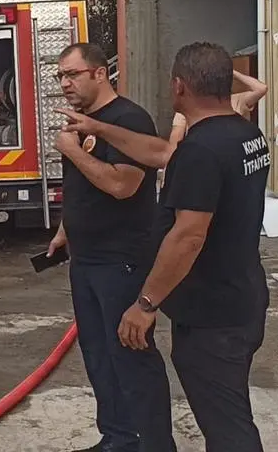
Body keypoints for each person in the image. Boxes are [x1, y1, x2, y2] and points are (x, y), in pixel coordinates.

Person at [58, 42, 270, 452]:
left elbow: (188, 237)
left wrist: (146, 304)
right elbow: (161, 153)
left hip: (213, 311)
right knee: (227, 414)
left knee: (228, 427)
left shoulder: (201, 151)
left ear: (179, 86)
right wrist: (98, 128)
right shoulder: (245, 134)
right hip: (242, 296)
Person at [47, 43, 174, 452]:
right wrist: (66, 229)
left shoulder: (127, 120)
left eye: (72, 74)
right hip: (86, 259)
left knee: (131, 356)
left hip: (121, 260)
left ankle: (154, 445)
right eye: (60, 76)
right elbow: (81, 186)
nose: (64, 83)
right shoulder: (83, 122)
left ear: (100, 73)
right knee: (99, 357)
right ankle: (118, 439)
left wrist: (72, 150)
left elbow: (123, 185)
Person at [168, 68, 265, 144]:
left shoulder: (236, 100)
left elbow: (261, 89)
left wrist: (232, 72)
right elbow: (174, 144)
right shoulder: (189, 106)